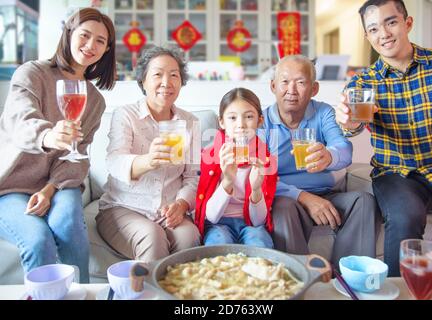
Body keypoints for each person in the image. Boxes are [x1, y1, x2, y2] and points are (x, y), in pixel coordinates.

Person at [0, 8, 116, 283]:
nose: (91, 45)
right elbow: (19, 121)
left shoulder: (95, 100)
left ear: (107, 49)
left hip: (57, 183)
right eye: (85, 35)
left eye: (100, 41)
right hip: (10, 186)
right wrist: (48, 136)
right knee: (38, 240)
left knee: (69, 226)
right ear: (69, 34)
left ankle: (82, 292)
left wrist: (50, 189)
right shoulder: (33, 73)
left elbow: (78, 156)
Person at [335, 0, 432, 276]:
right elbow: (351, 127)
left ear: (407, 23)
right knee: (403, 216)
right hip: (397, 174)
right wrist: (349, 122)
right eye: (373, 29)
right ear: (367, 36)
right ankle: (399, 292)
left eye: (391, 22)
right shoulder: (363, 83)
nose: (383, 34)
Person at [260, 55, 380, 266]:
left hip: (326, 194)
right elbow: (260, 176)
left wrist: (329, 156)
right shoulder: (262, 122)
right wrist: (303, 197)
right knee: (283, 208)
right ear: (273, 86)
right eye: (285, 81)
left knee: (364, 201)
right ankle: (300, 278)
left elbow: (343, 149)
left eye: (301, 82)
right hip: (286, 198)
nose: (292, 90)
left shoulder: (323, 112)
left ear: (314, 89)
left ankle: (346, 278)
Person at [96, 46, 201, 262]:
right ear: (143, 81)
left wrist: (181, 206)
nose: (167, 82)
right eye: (158, 74)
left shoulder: (190, 123)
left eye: (174, 75)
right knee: (152, 236)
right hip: (123, 207)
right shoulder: (125, 115)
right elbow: (114, 161)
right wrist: (148, 161)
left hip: (168, 211)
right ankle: (147, 295)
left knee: (189, 236)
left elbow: (193, 177)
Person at [195, 88, 278, 248]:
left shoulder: (266, 160)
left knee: (259, 243)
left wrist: (256, 189)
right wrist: (227, 181)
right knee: (219, 244)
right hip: (218, 224)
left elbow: (258, 221)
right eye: (232, 118)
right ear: (221, 122)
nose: (240, 125)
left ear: (259, 121)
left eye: (248, 117)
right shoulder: (210, 156)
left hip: (250, 224)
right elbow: (211, 218)